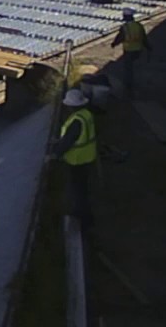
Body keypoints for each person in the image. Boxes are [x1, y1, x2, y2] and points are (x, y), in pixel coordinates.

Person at [51, 89, 98, 233]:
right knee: (82, 188)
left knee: (78, 191)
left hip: (77, 159)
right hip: (88, 156)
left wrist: (55, 154)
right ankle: (85, 216)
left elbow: (69, 141)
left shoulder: (75, 121)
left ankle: (82, 220)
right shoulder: (86, 114)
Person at [110, 8, 150, 96]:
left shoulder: (125, 27)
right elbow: (144, 37)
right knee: (135, 66)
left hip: (129, 50)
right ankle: (134, 83)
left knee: (128, 69)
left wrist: (114, 44)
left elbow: (120, 37)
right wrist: (148, 47)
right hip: (138, 49)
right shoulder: (139, 25)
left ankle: (129, 86)